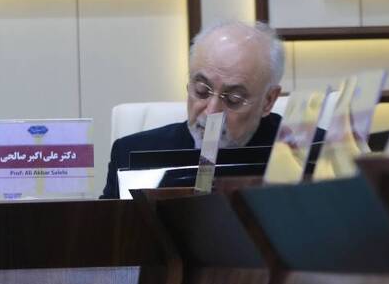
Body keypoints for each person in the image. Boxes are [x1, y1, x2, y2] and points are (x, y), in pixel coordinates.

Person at [101, 20, 284, 199]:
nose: (211, 112)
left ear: (268, 101)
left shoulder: (295, 151)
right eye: (202, 91)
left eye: (233, 99)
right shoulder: (132, 152)